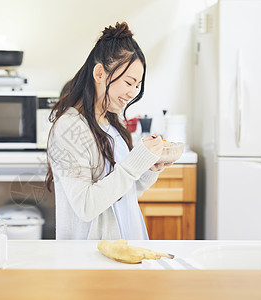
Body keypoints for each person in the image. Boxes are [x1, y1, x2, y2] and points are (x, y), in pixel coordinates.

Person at [46, 22, 172, 240]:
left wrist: (149, 168)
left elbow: (124, 194)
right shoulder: (70, 127)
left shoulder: (112, 123)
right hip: (91, 260)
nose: (133, 92)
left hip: (125, 247)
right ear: (99, 73)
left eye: (137, 85)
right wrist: (134, 164)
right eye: (129, 82)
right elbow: (85, 206)